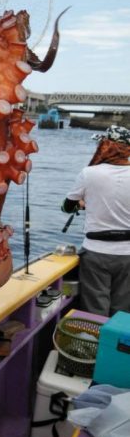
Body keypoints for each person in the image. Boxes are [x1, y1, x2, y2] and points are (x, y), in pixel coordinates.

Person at [62, 125, 130, 317]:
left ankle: (93, 344)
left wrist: (83, 204)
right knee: (123, 312)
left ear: (105, 146)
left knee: (95, 311)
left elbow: (67, 207)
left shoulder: (89, 173)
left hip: (96, 252)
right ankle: (115, 346)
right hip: (128, 254)